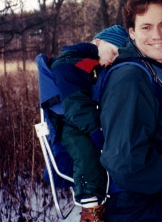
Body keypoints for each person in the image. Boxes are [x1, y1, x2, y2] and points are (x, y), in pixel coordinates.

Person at [99, 0, 162, 221]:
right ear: (131, 32)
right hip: (139, 208)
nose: (157, 35)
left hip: (156, 199)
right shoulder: (130, 79)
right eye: (146, 27)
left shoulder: (153, 71)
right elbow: (125, 164)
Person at [50, 25, 129, 222]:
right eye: (113, 51)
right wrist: (97, 131)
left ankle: (108, 204)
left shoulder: (94, 65)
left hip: (87, 121)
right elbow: (77, 106)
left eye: (118, 55)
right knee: (87, 157)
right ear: (98, 41)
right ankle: (90, 210)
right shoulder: (68, 64)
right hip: (70, 125)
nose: (113, 58)